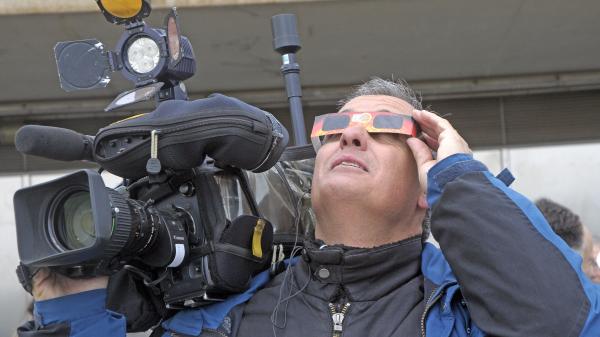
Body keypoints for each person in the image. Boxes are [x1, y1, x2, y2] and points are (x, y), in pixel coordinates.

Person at [18, 78, 600, 337]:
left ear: (429, 176)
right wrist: (76, 308)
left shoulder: (463, 312)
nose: (351, 136)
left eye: (386, 129)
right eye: (339, 126)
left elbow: (560, 324)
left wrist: (462, 174)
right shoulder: (222, 321)